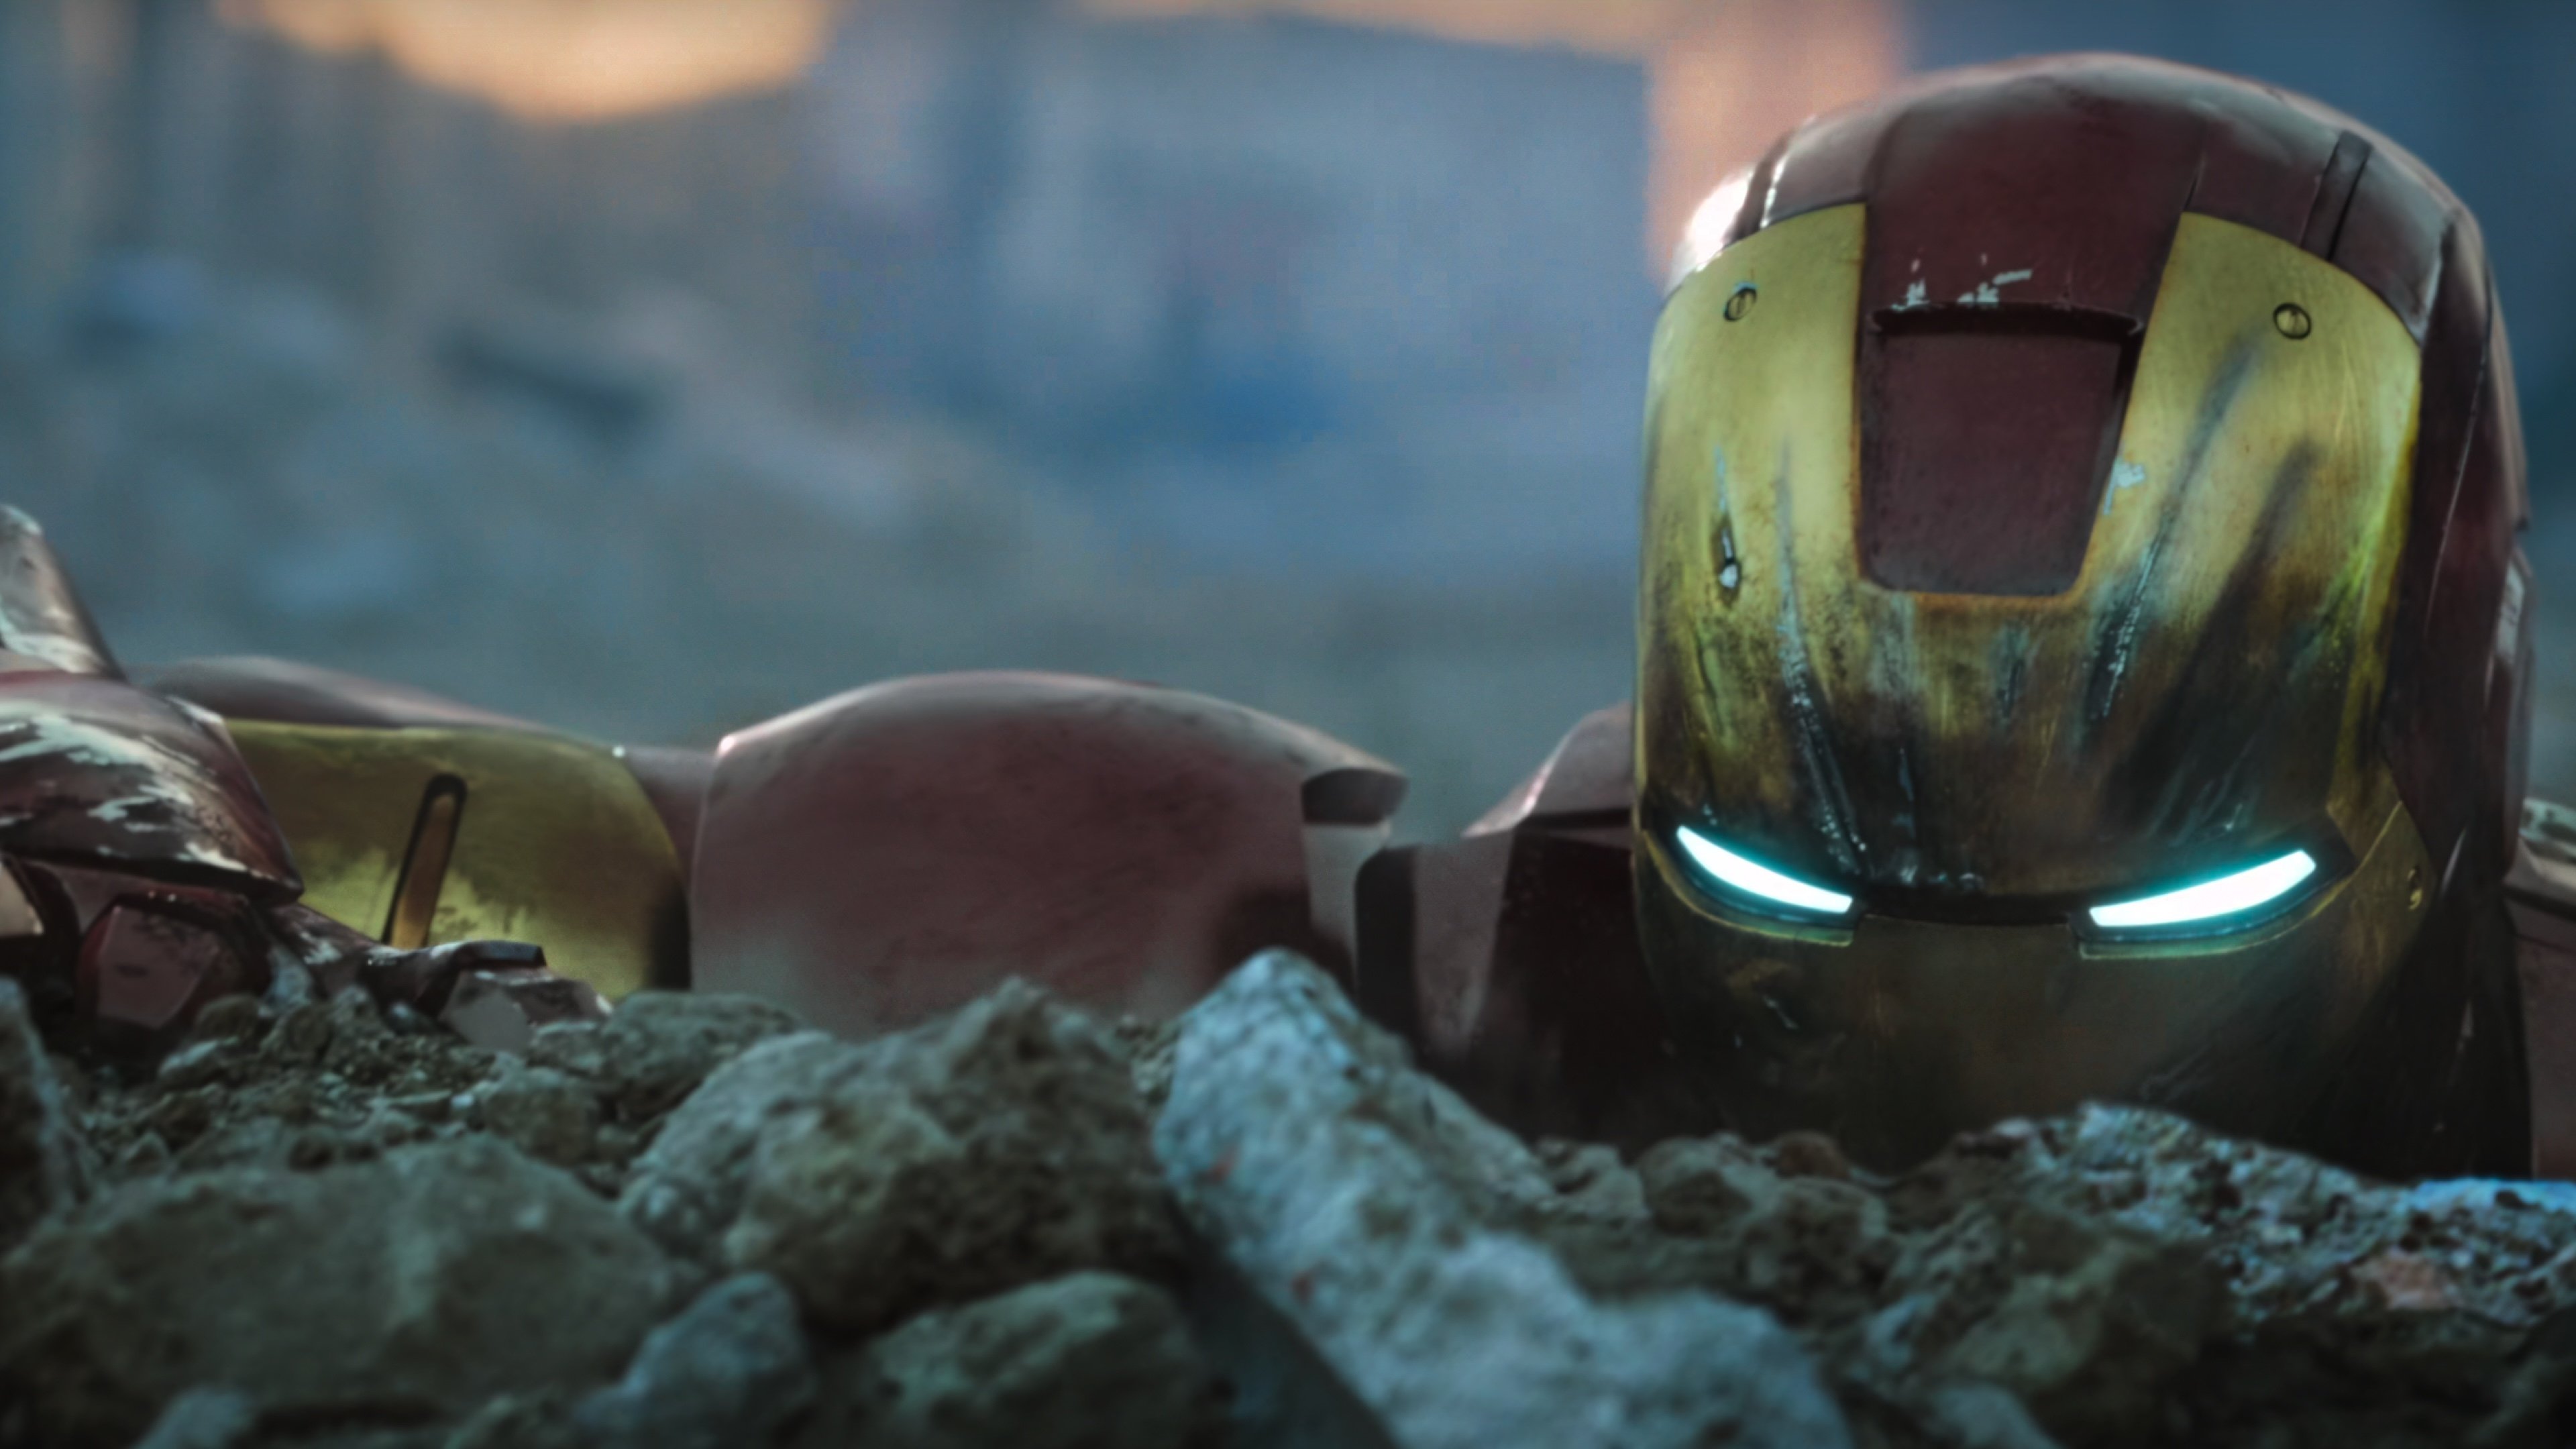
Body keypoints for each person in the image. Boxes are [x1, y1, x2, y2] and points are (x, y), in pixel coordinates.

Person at [15, 54, 2573, 1181]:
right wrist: (103, 782)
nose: (1974, 1065)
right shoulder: (1312, 944)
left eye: (2184, 909)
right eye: (1792, 890)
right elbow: (588, 847)